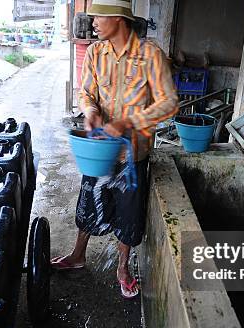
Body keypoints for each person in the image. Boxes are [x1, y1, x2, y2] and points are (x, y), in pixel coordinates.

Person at [51, 0, 178, 298]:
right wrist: (90, 111)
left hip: (134, 154)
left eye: (98, 17)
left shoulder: (151, 55)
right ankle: (78, 254)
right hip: (99, 151)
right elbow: (86, 92)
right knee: (88, 202)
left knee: (128, 215)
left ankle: (122, 266)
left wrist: (128, 123)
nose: (93, 22)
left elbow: (170, 103)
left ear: (119, 20)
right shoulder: (96, 53)